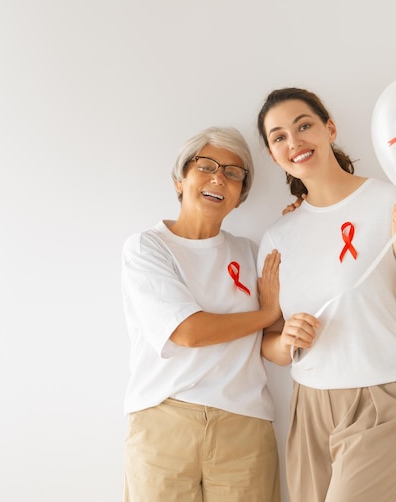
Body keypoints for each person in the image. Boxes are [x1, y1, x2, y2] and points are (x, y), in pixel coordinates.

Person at [256, 88, 396, 502]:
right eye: (279, 137)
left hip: (382, 397)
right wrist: (286, 340)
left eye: (304, 126)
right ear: (273, 154)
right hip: (309, 403)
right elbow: (267, 342)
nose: (295, 142)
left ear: (329, 128)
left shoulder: (392, 203)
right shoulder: (277, 237)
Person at [121, 126, 282, 502]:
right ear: (180, 179)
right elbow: (188, 332)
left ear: (240, 196)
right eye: (206, 165)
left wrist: (297, 222)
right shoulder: (147, 247)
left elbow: (276, 328)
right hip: (164, 421)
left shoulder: (251, 251)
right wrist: (264, 314)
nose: (218, 178)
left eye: (232, 172)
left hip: (245, 425)